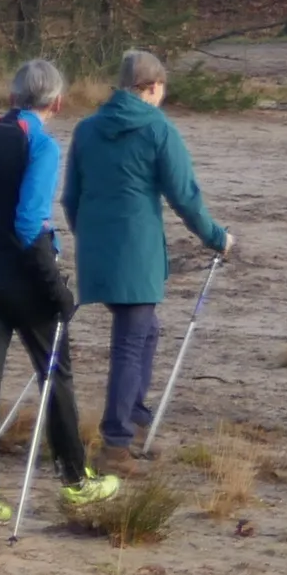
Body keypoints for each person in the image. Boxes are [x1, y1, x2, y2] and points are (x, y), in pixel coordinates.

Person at [0, 57, 123, 527]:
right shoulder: (41, 144)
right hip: (25, 277)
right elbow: (29, 222)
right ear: (58, 103)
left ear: (12, 96)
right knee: (54, 374)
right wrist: (55, 285)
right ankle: (75, 480)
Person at [66, 49, 234, 457]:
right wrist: (217, 237)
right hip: (136, 250)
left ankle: (135, 411)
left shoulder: (86, 129)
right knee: (130, 339)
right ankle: (117, 440)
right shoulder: (158, 128)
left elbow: (71, 197)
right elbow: (184, 195)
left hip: (96, 248)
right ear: (154, 87)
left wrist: (89, 238)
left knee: (146, 329)